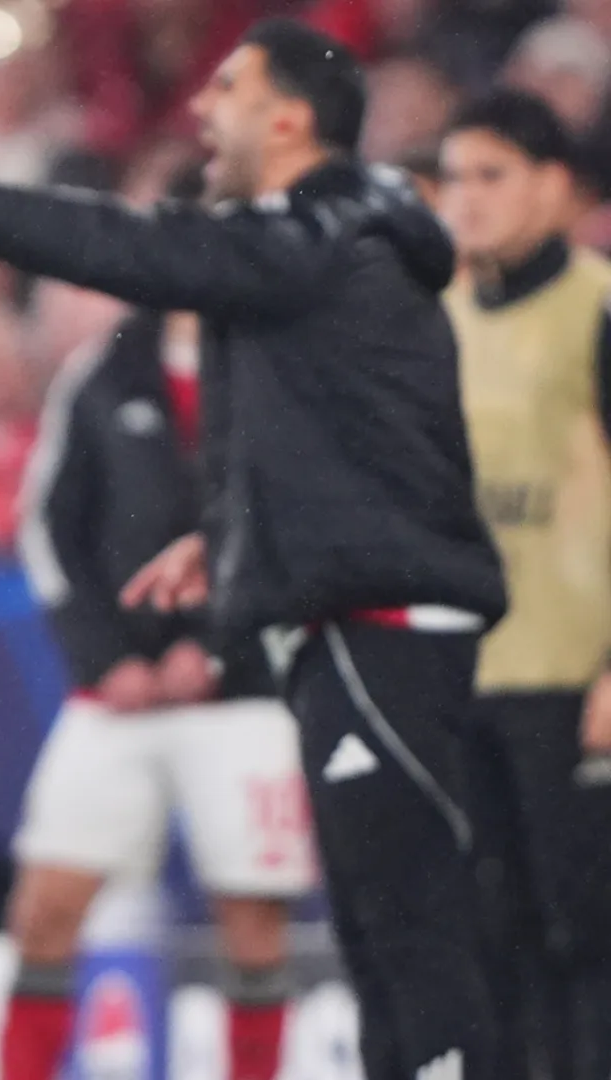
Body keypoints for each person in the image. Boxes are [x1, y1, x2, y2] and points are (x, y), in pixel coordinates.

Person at [0, 18, 507, 1080]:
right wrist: (224, 539)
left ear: (290, 118)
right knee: (379, 937)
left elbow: (126, 245)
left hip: (383, 627)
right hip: (347, 624)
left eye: (228, 87)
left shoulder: (318, 235)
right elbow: (346, 436)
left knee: (410, 938)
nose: (204, 108)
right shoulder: (335, 253)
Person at [7, 298, 315, 1080]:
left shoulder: (279, 366)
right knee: (44, 909)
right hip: (118, 696)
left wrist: (223, 651)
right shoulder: (105, 369)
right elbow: (50, 522)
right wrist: (103, 658)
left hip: (243, 696)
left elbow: (307, 526)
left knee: (251, 922)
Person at [438, 89, 611, 1080]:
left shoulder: (597, 306)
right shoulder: (441, 319)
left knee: (584, 932)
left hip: (573, 678)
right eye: (455, 178)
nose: (466, 200)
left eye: (491, 176)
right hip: (467, 679)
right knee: (490, 935)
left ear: (554, 186)